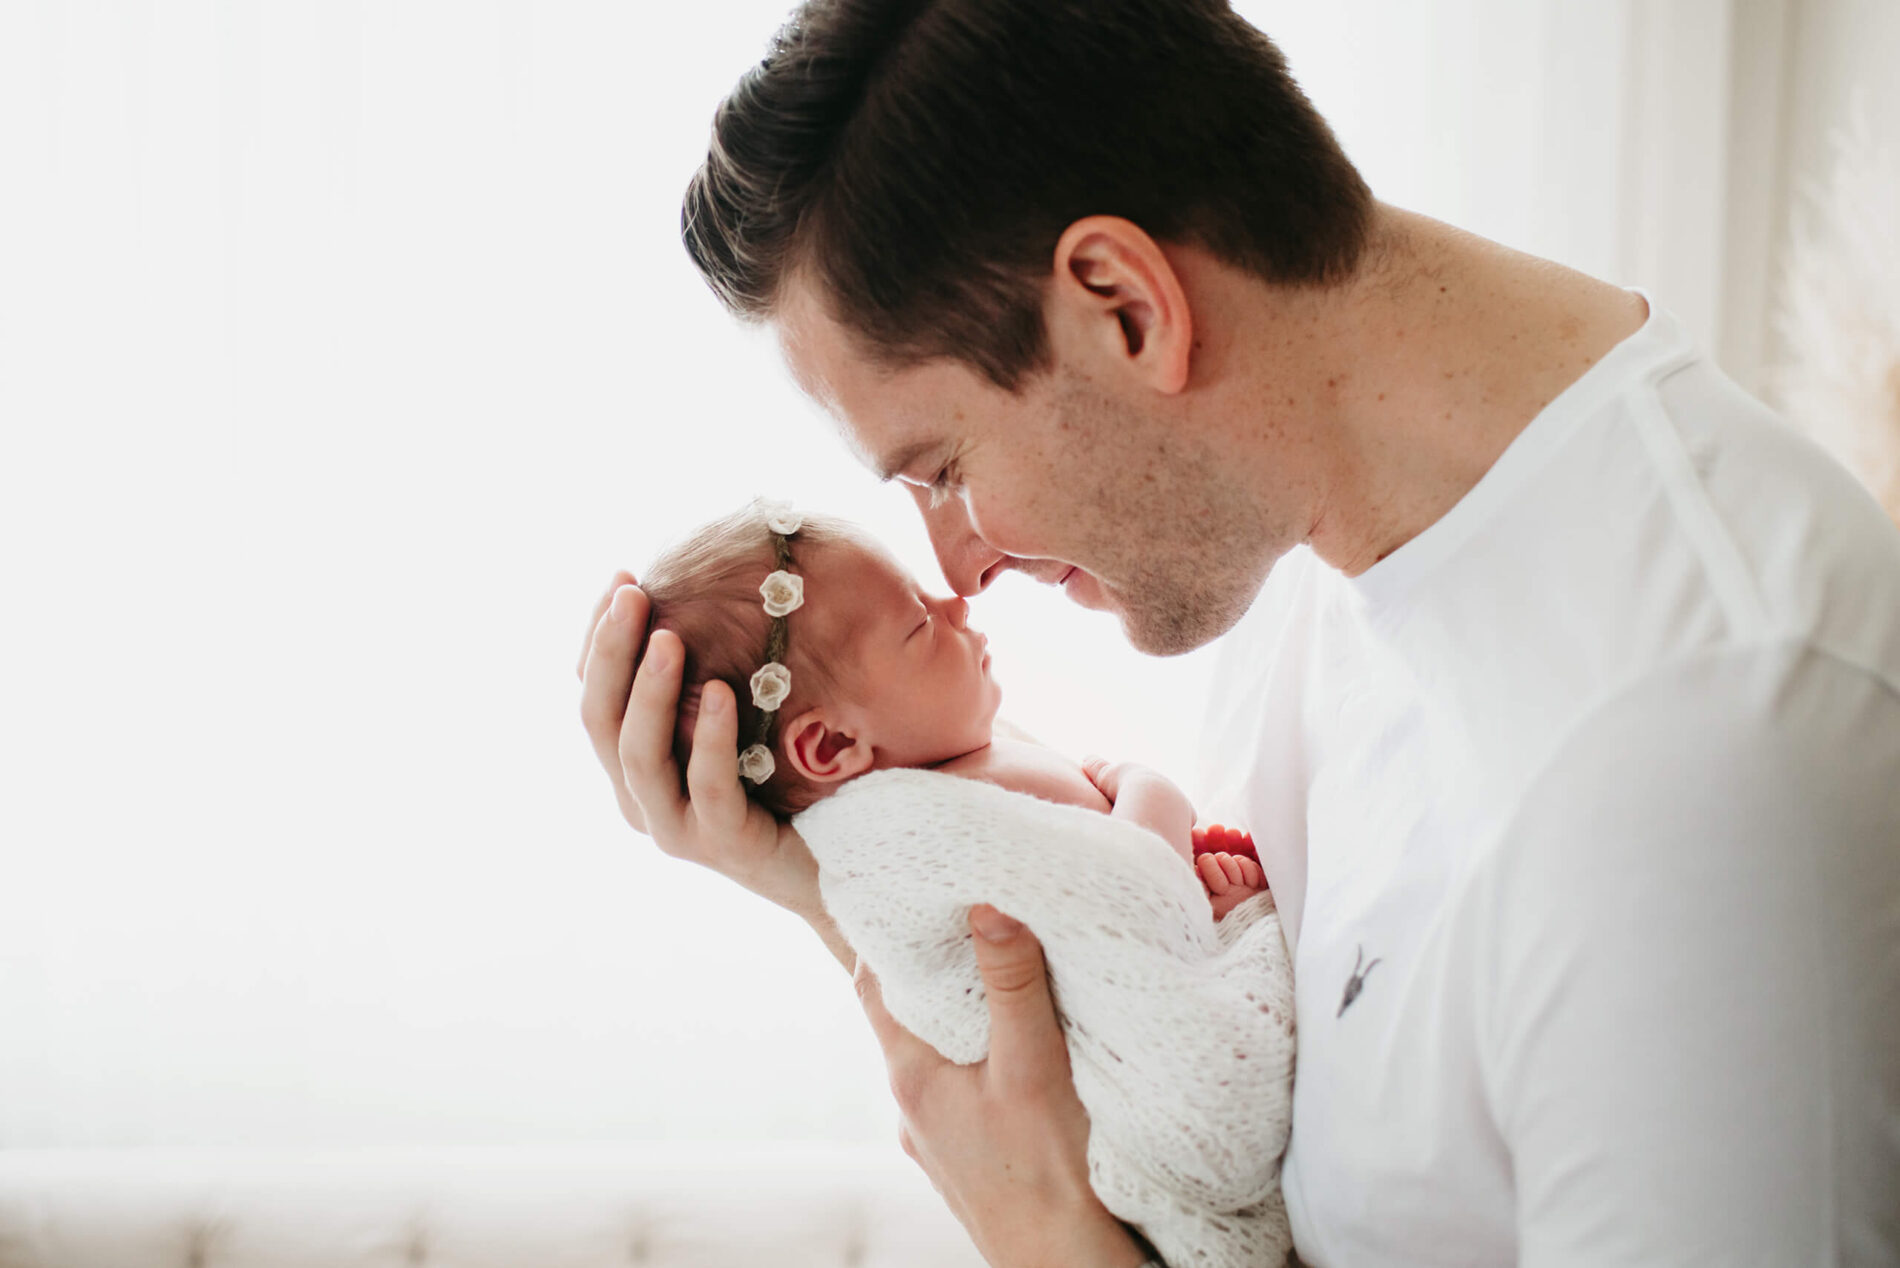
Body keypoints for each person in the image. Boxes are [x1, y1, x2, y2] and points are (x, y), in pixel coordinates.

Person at [579, 1, 1900, 1264]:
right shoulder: (1314, 568)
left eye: (940, 468)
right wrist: (812, 871)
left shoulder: (1715, 744)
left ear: (1122, 304)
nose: (961, 565)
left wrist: (1050, 1246)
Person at [637, 498, 1269, 918]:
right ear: (831, 746)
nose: (956, 603)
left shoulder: (958, 769)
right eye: (919, 624)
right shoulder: (954, 815)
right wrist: (1146, 788)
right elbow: (1137, 887)